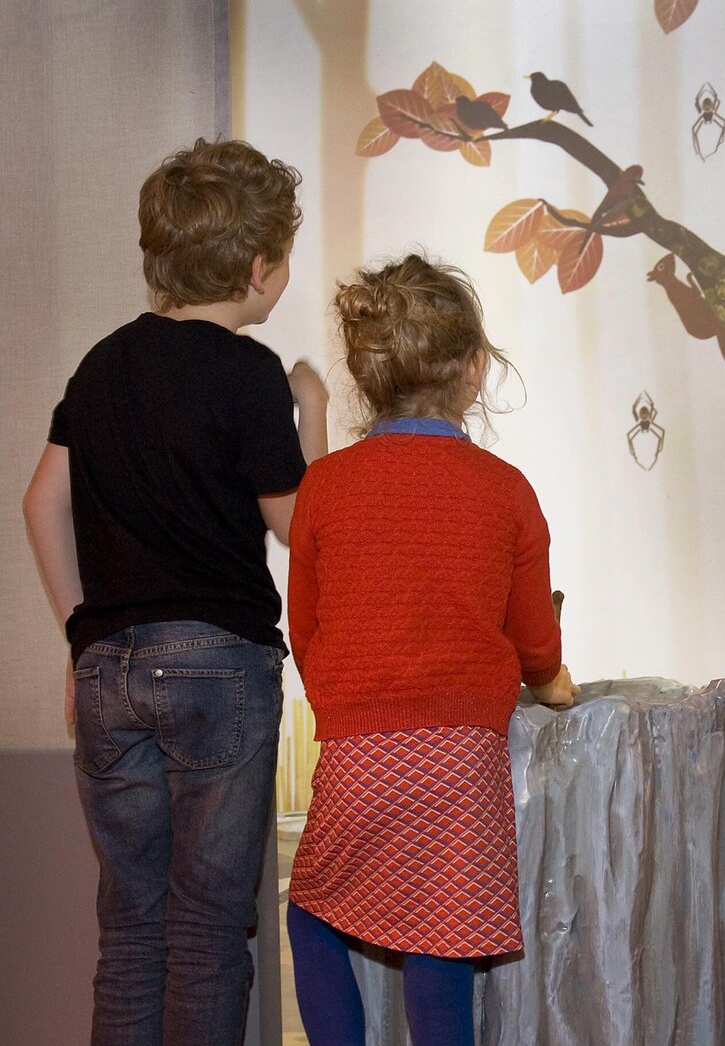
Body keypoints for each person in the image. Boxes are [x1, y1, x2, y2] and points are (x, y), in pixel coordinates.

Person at [21, 137, 328, 1046]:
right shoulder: (249, 373)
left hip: (111, 669)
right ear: (260, 268)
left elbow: (42, 500)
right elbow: (296, 524)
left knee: (131, 928)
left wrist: (83, 636)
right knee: (205, 931)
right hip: (219, 665)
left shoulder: (103, 363)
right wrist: (311, 408)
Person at [284, 253, 577, 1046]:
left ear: (367, 372)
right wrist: (550, 681)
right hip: (462, 757)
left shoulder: (326, 485)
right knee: (439, 941)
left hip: (359, 751)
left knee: (312, 916)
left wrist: (346, 698)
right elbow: (532, 639)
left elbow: (304, 626)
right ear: (474, 368)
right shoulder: (505, 487)